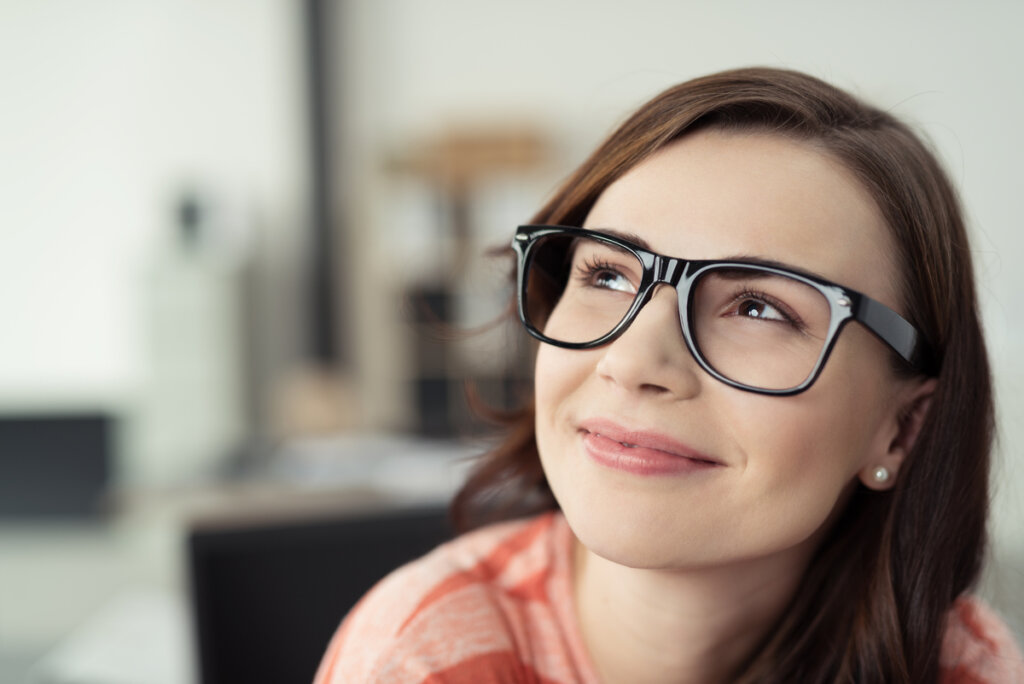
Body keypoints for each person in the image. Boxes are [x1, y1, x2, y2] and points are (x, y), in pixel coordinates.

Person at [315, 67, 1024, 683]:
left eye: (758, 307)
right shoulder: (421, 659)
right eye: (608, 274)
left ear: (901, 430)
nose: (631, 362)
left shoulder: (961, 666)